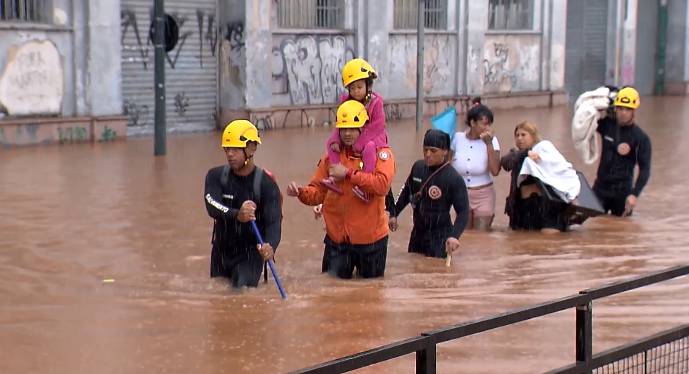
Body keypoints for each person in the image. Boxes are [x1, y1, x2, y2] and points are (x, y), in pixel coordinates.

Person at [287, 100, 395, 279]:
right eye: (343, 128)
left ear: (363, 128)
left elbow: (381, 185)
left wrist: (348, 174)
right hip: (337, 241)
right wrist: (300, 192)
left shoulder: (381, 154)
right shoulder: (330, 158)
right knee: (331, 291)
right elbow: (318, 193)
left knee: (371, 295)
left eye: (352, 128)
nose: (347, 133)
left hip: (371, 242)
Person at [204, 120, 282, 288]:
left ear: (252, 148)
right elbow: (211, 205)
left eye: (236, 149)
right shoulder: (215, 176)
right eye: (227, 149)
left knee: (242, 290)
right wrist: (237, 214)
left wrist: (270, 246)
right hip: (221, 252)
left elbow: (274, 221)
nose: (230, 154)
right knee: (218, 296)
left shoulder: (266, 184)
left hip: (250, 253)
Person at [389, 129, 469, 259]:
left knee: (436, 271)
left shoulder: (453, 178)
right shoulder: (418, 168)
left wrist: (454, 236)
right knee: (414, 268)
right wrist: (394, 213)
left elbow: (463, 212)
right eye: (425, 149)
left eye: (433, 151)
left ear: (444, 151)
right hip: (418, 234)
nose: (427, 154)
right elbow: (406, 192)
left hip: (440, 236)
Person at [321, 58, 388, 202]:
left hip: (373, 136)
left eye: (359, 87)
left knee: (369, 148)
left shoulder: (376, 102)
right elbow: (341, 123)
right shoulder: (346, 102)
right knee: (330, 143)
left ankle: (364, 186)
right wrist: (335, 139)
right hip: (353, 134)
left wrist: (360, 143)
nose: (356, 92)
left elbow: (377, 126)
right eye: (352, 88)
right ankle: (334, 177)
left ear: (368, 85)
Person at [501, 121, 581, 233]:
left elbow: (560, 169)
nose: (519, 138)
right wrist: (526, 154)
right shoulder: (515, 154)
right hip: (524, 208)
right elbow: (505, 163)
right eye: (517, 135)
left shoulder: (545, 151)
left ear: (533, 136)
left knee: (549, 237)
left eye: (523, 135)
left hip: (548, 205)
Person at [592, 87, 651, 216]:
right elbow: (586, 121)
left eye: (628, 109)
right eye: (620, 108)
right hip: (600, 189)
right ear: (615, 108)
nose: (623, 112)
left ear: (634, 111)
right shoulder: (606, 125)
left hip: (622, 193)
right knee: (592, 225)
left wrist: (634, 195)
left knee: (621, 231)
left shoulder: (641, 138)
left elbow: (645, 169)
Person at [450, 103, 500, 230]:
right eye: (484, 124)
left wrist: (488, 144)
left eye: (489, 124)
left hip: (484, 194)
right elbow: (446, 164)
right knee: (464, 234)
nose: (487, 127)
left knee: (481, 235)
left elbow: (495, 170)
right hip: (461, 194)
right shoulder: (457, 138)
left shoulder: (492, 141)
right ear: (472, 123)